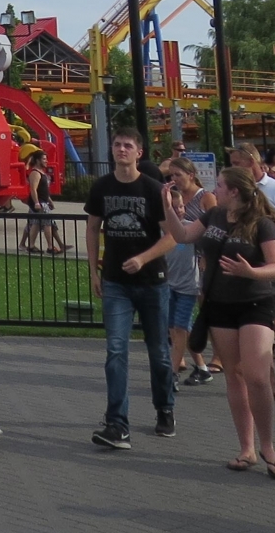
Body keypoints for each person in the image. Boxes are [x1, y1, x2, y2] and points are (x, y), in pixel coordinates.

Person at [163, 168, 275, 479]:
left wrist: (251, 273)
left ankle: (268, 445)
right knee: (234, 375)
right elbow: (181, 236)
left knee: (257, 376)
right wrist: (166, 205)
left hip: (255, 303)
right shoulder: (215, 215)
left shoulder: (262, 223)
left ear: (234, 191)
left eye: (219, 185)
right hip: (220, 304)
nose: (214, 189)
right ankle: (246, 448)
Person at [84, 130, 176, 447]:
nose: (121, 150)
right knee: (115, 351)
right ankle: (117, 423)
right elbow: (93, 227)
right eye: (117, 145)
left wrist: (144, 258)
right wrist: (94, 270)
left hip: (152, 283)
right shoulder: (102, 187)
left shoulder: (151, 189)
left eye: (128, 146)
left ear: (139, 152)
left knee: (159, 353)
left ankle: (165, 407)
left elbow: (171, 236)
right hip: (115, 282)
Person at [230, 143, 275, 384]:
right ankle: (268, 380)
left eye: (236, 163)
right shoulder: (234, 191)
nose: (233, 168)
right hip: (242, 263)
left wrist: (274, 221)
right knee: (253, 323)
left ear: (251, 162)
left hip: (272, 263)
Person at [162, 157, 216, 385]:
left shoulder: (205, 197)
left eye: (178, 175)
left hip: (197, 262)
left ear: (191, 175)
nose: (174, 180)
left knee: (189, 319)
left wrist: (205, 255)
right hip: (177, 267)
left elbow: (215, 227)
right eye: (171, 175)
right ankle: (201, 366)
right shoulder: (174, 198)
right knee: (178, 322)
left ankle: (176, 369)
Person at [20, 150, 67, 254]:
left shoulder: (41, 173)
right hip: (39, 203)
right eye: (44, 159)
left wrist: (50, 200)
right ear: (37, 160)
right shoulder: (35, 173)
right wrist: (37, 203)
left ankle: (31, 246)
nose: (46, 161)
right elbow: (33, 189)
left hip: (43, 202)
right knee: (47, 224)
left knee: (35, 224)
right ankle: (50, 247)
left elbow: (44, 190)